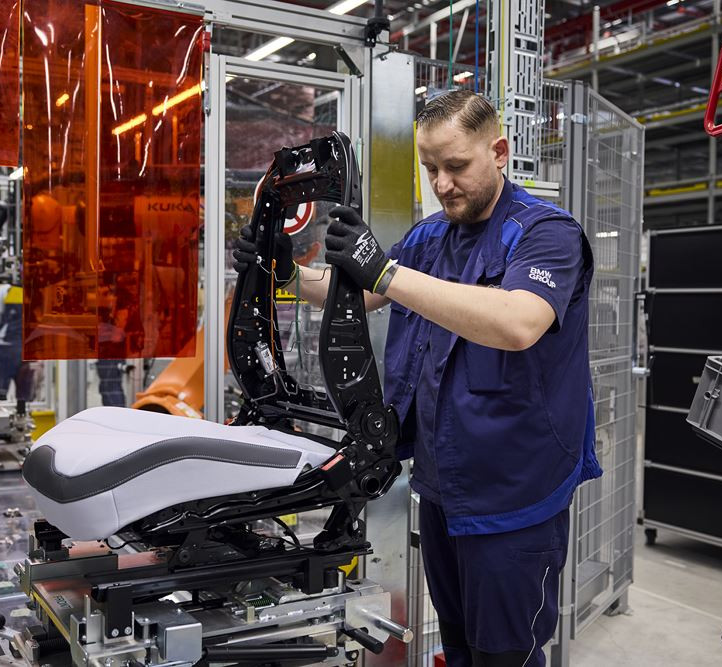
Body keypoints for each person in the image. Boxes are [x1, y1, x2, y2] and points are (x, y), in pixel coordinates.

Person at [233, 90, 600, 667]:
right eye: (431, 168)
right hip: (443, 483)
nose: (443, 183)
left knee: (505, 653)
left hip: (515, 490)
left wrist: (384, 268)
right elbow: (354, 288)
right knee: (456, 645)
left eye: (457, 166)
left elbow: (518, 322)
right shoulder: (432, 237)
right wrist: (278, 270)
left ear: (498, 151)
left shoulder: (545, 234)